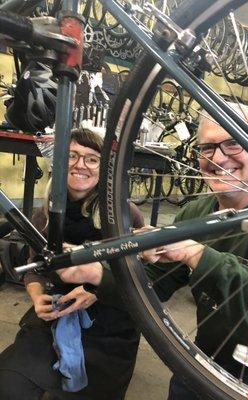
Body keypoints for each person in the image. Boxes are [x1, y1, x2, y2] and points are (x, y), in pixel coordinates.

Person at [142, 103, 248, 400]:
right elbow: (154, 281)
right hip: (206, 360)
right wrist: (98, 275)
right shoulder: (196, 212)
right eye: (207, 147)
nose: (217, 157)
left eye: (233, 143)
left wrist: (196, 254)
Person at [0, 128, 144, 400]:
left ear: (103, 168)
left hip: (111, 319)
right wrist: (37, 296)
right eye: (72, 156)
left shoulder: (124, 213)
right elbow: (33, 267)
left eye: (91, 159)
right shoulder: (44, 215)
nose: (80, 165)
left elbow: (140, 275)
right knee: (9, 384)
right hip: (59, 312)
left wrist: (95, 290)